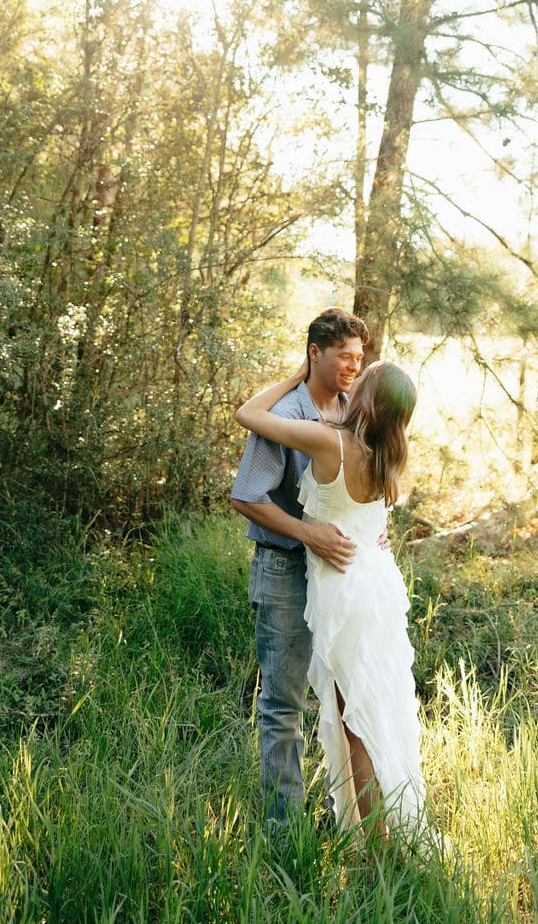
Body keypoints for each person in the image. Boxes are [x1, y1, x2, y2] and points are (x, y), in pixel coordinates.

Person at [234, 350, 426, 838]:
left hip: (345, 590)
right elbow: (370, 525)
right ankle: (383, 831)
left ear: (366, 397)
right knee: (371, 708)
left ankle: (380, 845)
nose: (354, 375)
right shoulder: (387, 453)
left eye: (364, 374)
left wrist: (296, 374)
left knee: (354, 718)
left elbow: (248, 414)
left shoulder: (330, 441)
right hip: (377, 583)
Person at [230, 307, 369, 828]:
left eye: (360, 358)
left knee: (350, 700)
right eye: (343, 357)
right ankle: (283, 830)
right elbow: (246, 495)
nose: (353, 368)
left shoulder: (356, 407)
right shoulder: (284, 413)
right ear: (315, 352)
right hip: (286, 568)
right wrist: (308, 532)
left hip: (341, 575)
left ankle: (353, 821)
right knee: (283, 704)